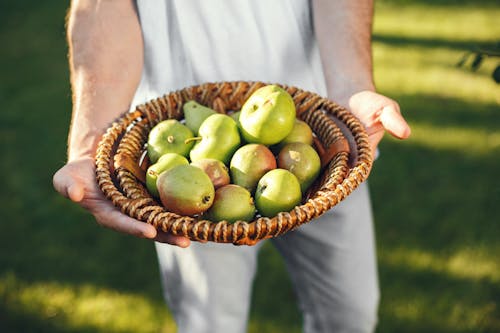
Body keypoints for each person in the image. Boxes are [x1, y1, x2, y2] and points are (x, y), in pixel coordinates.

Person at [53, 0, 411, 332]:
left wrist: (350, 88)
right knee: (208, 323)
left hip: (323, 141)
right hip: (178, 155)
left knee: (351, 315)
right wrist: (90, 142)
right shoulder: (185, 176)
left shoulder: (325, 146)